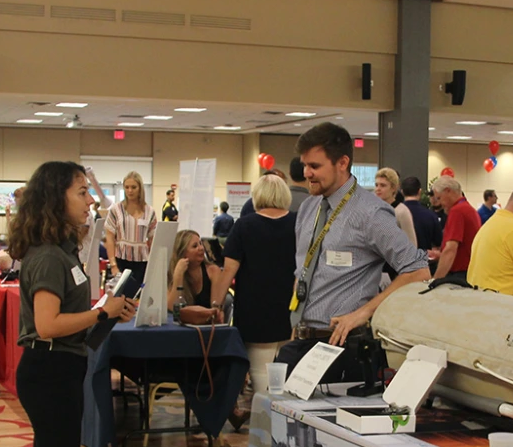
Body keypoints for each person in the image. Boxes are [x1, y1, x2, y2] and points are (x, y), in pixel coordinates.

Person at [8, 161, 137, 447]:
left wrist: (105, 312)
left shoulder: (61, 251)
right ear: (57, 198)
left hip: (56, 369)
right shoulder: (48, 257)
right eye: (82, 192)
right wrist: (102, 314)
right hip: (50, 373)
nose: (90, 201)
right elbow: (47, 325)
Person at [276, 122, 429, 382]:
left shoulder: (371, 213)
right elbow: (303, 270)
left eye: (314, 166)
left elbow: (418, 271)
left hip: (343, 349)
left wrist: (362, 314)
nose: (307, 173)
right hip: (301, 344)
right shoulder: (308, 209)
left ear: (342, 163)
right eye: (304, 165)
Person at [210, 175, 296, 398]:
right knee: (287, 371)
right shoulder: (298, 223)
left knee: (260, 371)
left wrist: (216, 305)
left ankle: (264, 425)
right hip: (291, 308)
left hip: (255, 308)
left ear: (257, 196)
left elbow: (228, 271)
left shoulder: (244, 226)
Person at [103, 171, 157, 282]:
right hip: (121, 259)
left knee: (138, 295)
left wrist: (153, 265)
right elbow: (110, 238)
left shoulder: (150, 211)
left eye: (133, 187)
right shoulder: (116, 210)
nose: (130, 191)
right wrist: (113, 264)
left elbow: (152, 240)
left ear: (140, 188)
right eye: (126, 187)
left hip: (142, 260)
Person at [431, 177, 480, 283]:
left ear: (448, 191)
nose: (439, 203)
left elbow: (451, 249)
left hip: (458, 274)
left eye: (439, 198)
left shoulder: (457, 211)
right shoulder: (469, 209)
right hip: (470, 271)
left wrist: (435, 280)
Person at [167, 230, 222, 324]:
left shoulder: (213, 271)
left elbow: (215, 310)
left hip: (206, 326)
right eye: (195, 246)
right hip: (180, 327)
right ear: (182, 252)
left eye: (200, 243)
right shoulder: (172, 273)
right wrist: (178, 276)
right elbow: (172, 308)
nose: (201, 248)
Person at [400, 176, 442, 256]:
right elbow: (438, 244)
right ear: (419, 191)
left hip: (399, 263)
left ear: (402, 192)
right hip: (424, 262)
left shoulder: (394, 213)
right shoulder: (431, 216)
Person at [374, 167, 417, 246]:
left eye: (383, 185)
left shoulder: (402, 211)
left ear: (393, 188)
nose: (378, 189)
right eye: (376, 185)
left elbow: (412, 243)